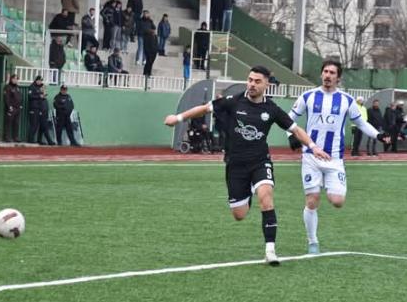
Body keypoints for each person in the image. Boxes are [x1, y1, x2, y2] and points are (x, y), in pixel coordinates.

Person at [164, 65, 331, 265]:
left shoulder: (272, 109)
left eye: (257, 81)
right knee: (239, 214)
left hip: (260, 161)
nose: (252, 84)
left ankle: (270, 250)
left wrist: (313, 146)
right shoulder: (233, 101)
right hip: (235, 165)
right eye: (250, 80)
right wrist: (178, 118)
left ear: (266, 84)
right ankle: (249, 192)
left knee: (266, 197)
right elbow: (205, 108)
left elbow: (295, 129)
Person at [287, 60, 388, 253]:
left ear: (338, 78)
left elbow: (361, 123)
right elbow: (288, 119)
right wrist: (291, 135)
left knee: (337, 201)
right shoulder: (307, 96)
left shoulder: (347, 100)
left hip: (334, 158)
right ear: (321, 74)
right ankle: (312, 242)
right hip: (311, 156)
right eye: (325, 71)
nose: (328, 75)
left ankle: (327, 184)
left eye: (332, 73)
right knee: (312, 200)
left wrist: (378, 135)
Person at [3, 74, 22, 142]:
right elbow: (6, 98)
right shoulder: (8, 87)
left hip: (17, 108)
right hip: (11, 108)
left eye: (17, 79)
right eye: (14, 79)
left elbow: (20, 97)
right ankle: (7, 137)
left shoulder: (17, 87)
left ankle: (15, 137)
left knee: (16, 123)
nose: (15, 80)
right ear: (11, 79)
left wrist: (20, 105)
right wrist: (9, 106)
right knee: (8, 123)